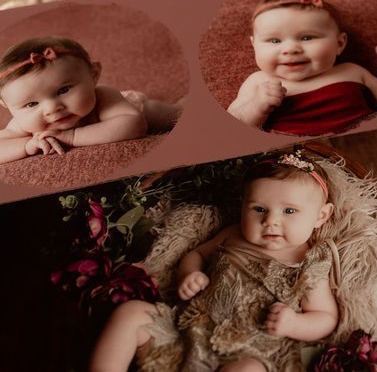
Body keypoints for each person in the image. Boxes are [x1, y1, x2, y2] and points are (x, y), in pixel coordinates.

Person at [91, 152, 340, 372]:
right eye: (259, 209)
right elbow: (196, 254)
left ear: (321, 215)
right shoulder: (233, 235)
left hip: (249, 350)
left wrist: (295, 324)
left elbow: (325, 317)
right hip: (187, 330)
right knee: (131, 313)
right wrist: (190, 274)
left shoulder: (310, 261)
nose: (270, 221)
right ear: (243, 206)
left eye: (289, 211)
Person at [228, 0, 377, 136]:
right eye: (274, 40)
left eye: (307, 37)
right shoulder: (258, 82)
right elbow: (233, 126)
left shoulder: (352, 71)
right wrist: (256, 106)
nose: (291, 49)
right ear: (254, 45)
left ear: (339, 44)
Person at [0, 36, 180, 163]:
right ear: (6, 105)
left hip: (134, 107)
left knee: (172, 115)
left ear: (93, 75)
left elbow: (134, 124)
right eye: (31, 104)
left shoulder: (104, 96)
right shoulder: (22, 125)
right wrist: (26, 146)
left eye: (63, 89)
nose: (52, 108)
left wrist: (71, 137)